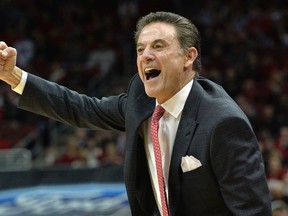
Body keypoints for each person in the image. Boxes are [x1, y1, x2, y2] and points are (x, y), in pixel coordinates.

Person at [0, 11, 272, 215]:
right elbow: (81, 108)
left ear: (189, 57)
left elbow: (253, 212)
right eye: (141, 49)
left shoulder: (223, 122)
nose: (145, 56)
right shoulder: (140, 98)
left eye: (158, 46)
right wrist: (13, 76)